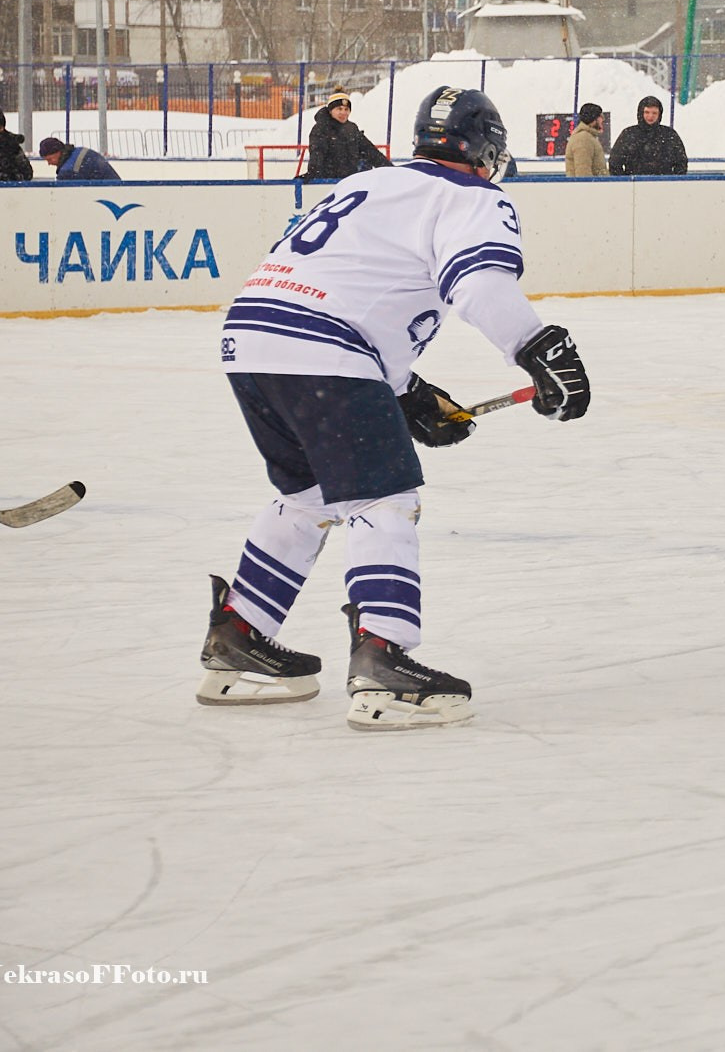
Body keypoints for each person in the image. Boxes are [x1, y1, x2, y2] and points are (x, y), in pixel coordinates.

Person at [200, 84, 592, 731]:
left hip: (252, 337)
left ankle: (238, 635)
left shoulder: (369, 183)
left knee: (310, 493)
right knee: (385, 496)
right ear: (486, 152)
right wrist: (539, 348)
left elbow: (350, 280)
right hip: (325, 346)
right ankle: (383, 659)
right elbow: (479, 284)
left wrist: (405, 391)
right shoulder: (470, 194)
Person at [303, 91, 388, 182]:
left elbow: (371, 152)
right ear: (331, 111)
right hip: (329, 183)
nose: (343, 112)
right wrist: (315, 178)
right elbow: (317, 155)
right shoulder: (321, 129)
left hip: (350, 183)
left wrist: (391, 170)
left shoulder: (352, 129)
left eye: (346, 109)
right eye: (339, 109)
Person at [608, 94, 688, 177]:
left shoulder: (669, 135)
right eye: (647, 112)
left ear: (659, 114)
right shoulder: (628, 134)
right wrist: (625, 182)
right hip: (635, 187)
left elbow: (681, 162)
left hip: (664, 186)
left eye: (654, 113)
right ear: (640, 113)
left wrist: (674, 181)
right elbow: (615, 162)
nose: (650, 116)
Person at [39, 137, 122, 182]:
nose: (49, 163)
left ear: (58, 152)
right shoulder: (77, 152)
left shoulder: (69, 170)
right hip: (115, 188)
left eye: (49, 159)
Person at [565, 103, 610, 177]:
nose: (603, 119)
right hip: (591, 187)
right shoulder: (583, 139)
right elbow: (583, 172)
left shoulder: (588, 137)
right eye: (601, 116)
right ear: (594, 119)